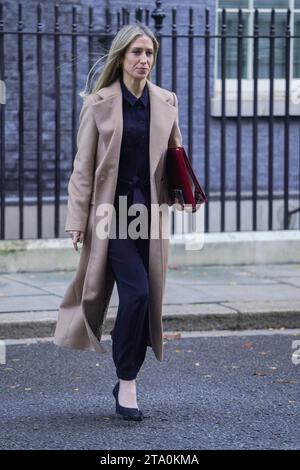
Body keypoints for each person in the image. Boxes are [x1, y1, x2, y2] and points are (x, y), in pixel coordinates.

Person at [53, 22, 183, 421]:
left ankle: (127, 375)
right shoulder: (98, 103)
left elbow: (176, 154)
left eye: (149, 53)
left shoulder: (166, 101)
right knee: (139, 294)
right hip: (111, 216)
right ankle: (127, 380)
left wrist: (182, 192)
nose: (144, 60)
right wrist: (77, 220)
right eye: (136, 53)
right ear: (121, 57)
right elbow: (82, 168)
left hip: (150, 215)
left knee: (146, 300)